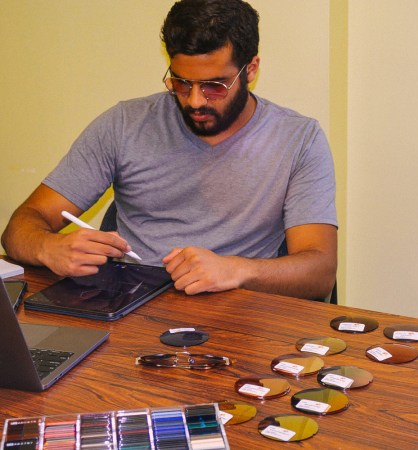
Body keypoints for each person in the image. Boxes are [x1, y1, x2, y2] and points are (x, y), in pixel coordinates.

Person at [1, 0, 337, 300]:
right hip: (130, 306)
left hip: (239, 312)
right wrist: (50, 248)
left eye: (214, 86)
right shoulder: (125, 124)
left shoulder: (298, 139)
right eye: (180, 82)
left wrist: (236, 270)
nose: (194, 101)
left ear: (250, 69)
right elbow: (20, 228)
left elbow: (319, 273)